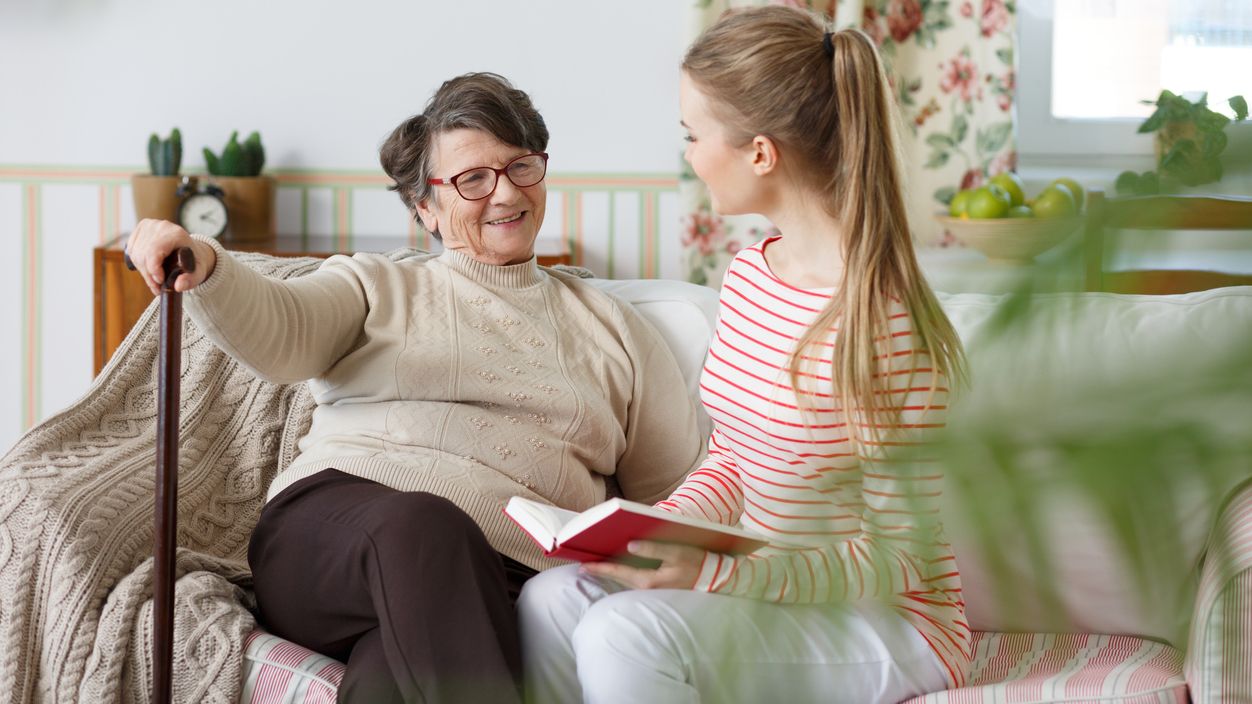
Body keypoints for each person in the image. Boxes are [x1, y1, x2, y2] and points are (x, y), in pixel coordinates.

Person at [125, 72, 703, 704]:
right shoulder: (379, 285)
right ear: (425, 206)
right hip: (332, 541)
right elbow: (281, 330)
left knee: (388, 678)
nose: (504, 192)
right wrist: (204, 263)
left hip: (500, 580)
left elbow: (675, 495)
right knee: (428, 525)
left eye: (521, 167)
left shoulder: (614, 328)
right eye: (472, 179)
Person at [518, 7, 971, 703]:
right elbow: (735, 455)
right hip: (774, 590)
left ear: (760, 153)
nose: (689, 153)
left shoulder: (885, 324)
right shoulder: (752, 273)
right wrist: (652, 532)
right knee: (552, 599)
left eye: (694, 134)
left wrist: (717, 577)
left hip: (888, 621)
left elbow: (897, 554)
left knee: (623, 634)